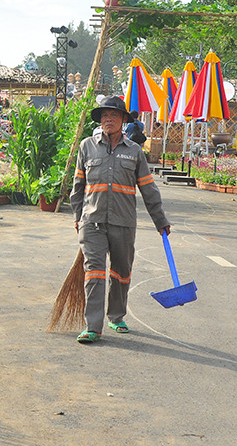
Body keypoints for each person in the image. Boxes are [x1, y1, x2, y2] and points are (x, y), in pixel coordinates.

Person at [70, 95, 171, 344]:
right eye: (104, 115)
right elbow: (78, 186)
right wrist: (77, 217)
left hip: (124, 222)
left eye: (114, 115)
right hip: (92, 221)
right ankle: (93, 326)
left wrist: (160, 220)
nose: (108, 119)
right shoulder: (86, 147)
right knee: (94, 272)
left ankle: (116, 315)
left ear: (124, 120)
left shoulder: (135, 152)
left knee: (121, 272)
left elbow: (149, 189)